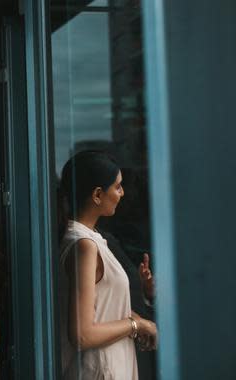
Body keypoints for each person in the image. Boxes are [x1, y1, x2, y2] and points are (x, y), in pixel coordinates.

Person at [57, 151, 157, 380]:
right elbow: (82, 333)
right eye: (118, 187)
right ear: (98, 194)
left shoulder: (88, 239)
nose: (122, 194)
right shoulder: (83, 246)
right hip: (99, 371)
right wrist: (137, 326)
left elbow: (99, 305)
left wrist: (140, 319)